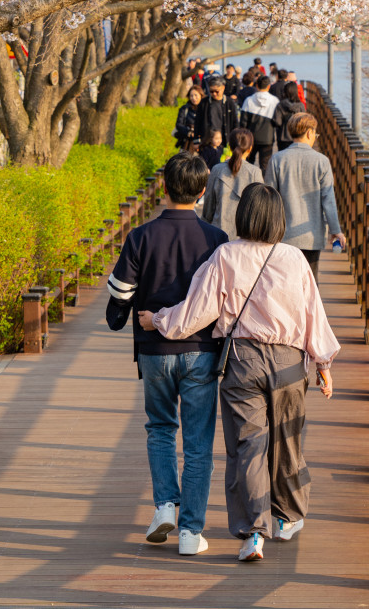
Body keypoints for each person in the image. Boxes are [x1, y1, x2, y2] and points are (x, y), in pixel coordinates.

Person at [139, 183, 340, 562]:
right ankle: (287, 517)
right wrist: (324, 364)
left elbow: (196, 311)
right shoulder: (294, 258)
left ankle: (253, 534)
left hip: (243, 361)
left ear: (244, 215)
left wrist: (158, 320)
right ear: (279, 218)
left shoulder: (226, 255)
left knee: (248, 447)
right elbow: (313, 313)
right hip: (289, 362)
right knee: (288, 441)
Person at [106, 152, 228, 556]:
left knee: (160, 428)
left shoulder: (140, 236)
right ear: (203, 191)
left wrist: (130, 312)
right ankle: (191, 532)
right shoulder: (216, 240)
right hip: (202, 350)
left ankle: (165, 506)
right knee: (198, 443)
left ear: (164, 186)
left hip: (154, 350)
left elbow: (120, 290)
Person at [264, 113, 346, 281]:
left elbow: (269, 199)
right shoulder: (321, 161)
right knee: (309, 282)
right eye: (315, 134)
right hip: (311, 236)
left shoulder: (277, 159)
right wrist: (335, 231)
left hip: (283, 235)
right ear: (309, 133)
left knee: (284, 281)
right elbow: (328, 200)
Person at [202, 128, 263, 239]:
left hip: (218, 234)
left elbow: (208, 209)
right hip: (246, 238)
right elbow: (260, 210)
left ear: (229, 147)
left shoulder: (217, 170)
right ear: (250, 149)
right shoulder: (255, 173)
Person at [240, 75, 282, 173]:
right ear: (269, 86)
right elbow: (277, 121)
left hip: (251, 138)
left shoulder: (249, 100)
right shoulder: (275, 101)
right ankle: (262, 182)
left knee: (248, 163)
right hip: (267, 138)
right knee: (265, 166)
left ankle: (248, 181)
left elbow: (243, 122)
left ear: (257, 86)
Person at [200, 76, 240, 146]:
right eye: (211, 91)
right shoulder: (204, 102)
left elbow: (235, 122)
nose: (214, 94)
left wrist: (235, 139)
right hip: (208, 140)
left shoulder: (229, 102)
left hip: (225, 139)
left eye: (217, 91)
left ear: (223, 88)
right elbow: (198, 121)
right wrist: (196, 140)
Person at [275, 81, 306, 152]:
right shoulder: (301, 106)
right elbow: (304, 122)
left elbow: (278, 122)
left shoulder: (280, 105)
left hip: (283, 137)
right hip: (297, 137)